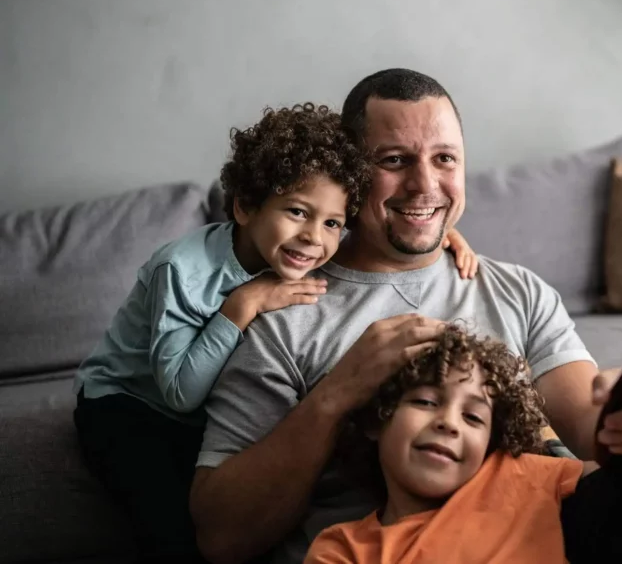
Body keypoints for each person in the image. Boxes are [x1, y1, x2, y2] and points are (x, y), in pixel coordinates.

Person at [189, 69, 622, 564]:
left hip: (543, 533)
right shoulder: (282, 311)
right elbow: (221, 539)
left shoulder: (513, 290)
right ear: (351, 175)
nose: (424, 185)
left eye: (444, 158)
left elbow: (598, 437)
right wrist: (337, 395)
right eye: (393, 161)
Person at [73, 101, 479, 564]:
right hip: (130, 406)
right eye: (297, 212)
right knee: (174, 531)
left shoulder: (304, 247)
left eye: (332, 223)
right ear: (246, 205)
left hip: (198, 408)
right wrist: (242, 305)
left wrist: (447, 237)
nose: (314, 237)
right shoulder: (181, 270)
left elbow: (383, 234)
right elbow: (180, 393)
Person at [305, 324, 583, 564]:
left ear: (490, 442)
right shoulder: (344, 548)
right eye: (425, 402)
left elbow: (619, 473)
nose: (449, 423)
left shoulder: (523, 472)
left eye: (473, 418)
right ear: (376, 419)